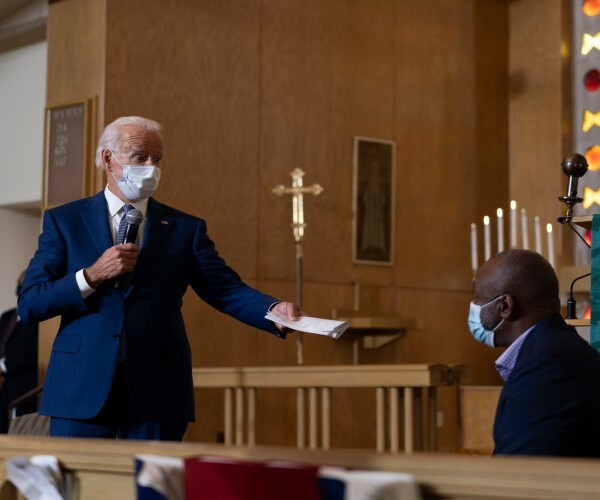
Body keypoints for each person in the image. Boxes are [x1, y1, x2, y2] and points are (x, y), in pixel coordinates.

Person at [18, 116, 300, 441]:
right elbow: (31, 303)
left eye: (157, 158)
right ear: (108, 159)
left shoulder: (185, 228)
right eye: (139, 157)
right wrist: (92, 276)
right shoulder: (65, 221)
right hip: (79, 387)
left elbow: (225, 289)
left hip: (158, 388)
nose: (151, 167)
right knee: (79, 477)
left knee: (153, 476)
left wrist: (272, 310)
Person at [468, 249, 600, 457]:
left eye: (477, 299)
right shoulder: (558, 347)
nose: (474, 307)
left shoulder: (545, 368)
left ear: (505, 306)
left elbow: (516, 470)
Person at [0, 271, 38, 433]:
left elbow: (32, 355)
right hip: (3, 385)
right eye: (19, 286)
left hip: (23, 389)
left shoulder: (38, 320)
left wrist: (3, 366)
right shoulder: (7, 316)